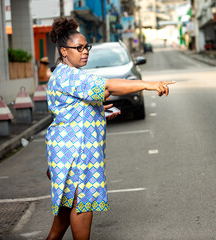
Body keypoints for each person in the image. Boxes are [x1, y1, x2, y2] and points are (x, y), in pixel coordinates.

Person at [46, 17, 175, 240]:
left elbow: (74, 109)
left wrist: (98, 110)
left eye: (87, 47)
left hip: (68, 151)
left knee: (64, 216)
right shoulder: (70, 76)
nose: (85, 51)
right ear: (64, 51)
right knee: (81, 204)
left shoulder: (64, 74)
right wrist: (147, 84)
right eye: (79, 48)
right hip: (76, 152)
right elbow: (108, 85)